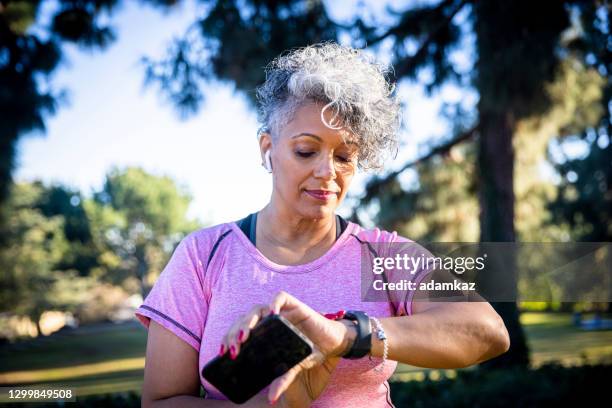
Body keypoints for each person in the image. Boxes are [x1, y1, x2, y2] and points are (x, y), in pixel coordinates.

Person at [136, 41, 510, 408]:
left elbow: (487, 330)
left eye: (345, 156)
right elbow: (160, 401)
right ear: (268, 149)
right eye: (306, 150)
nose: (327, 171)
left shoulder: (381, 254)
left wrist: (345, 334)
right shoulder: (204, 256)